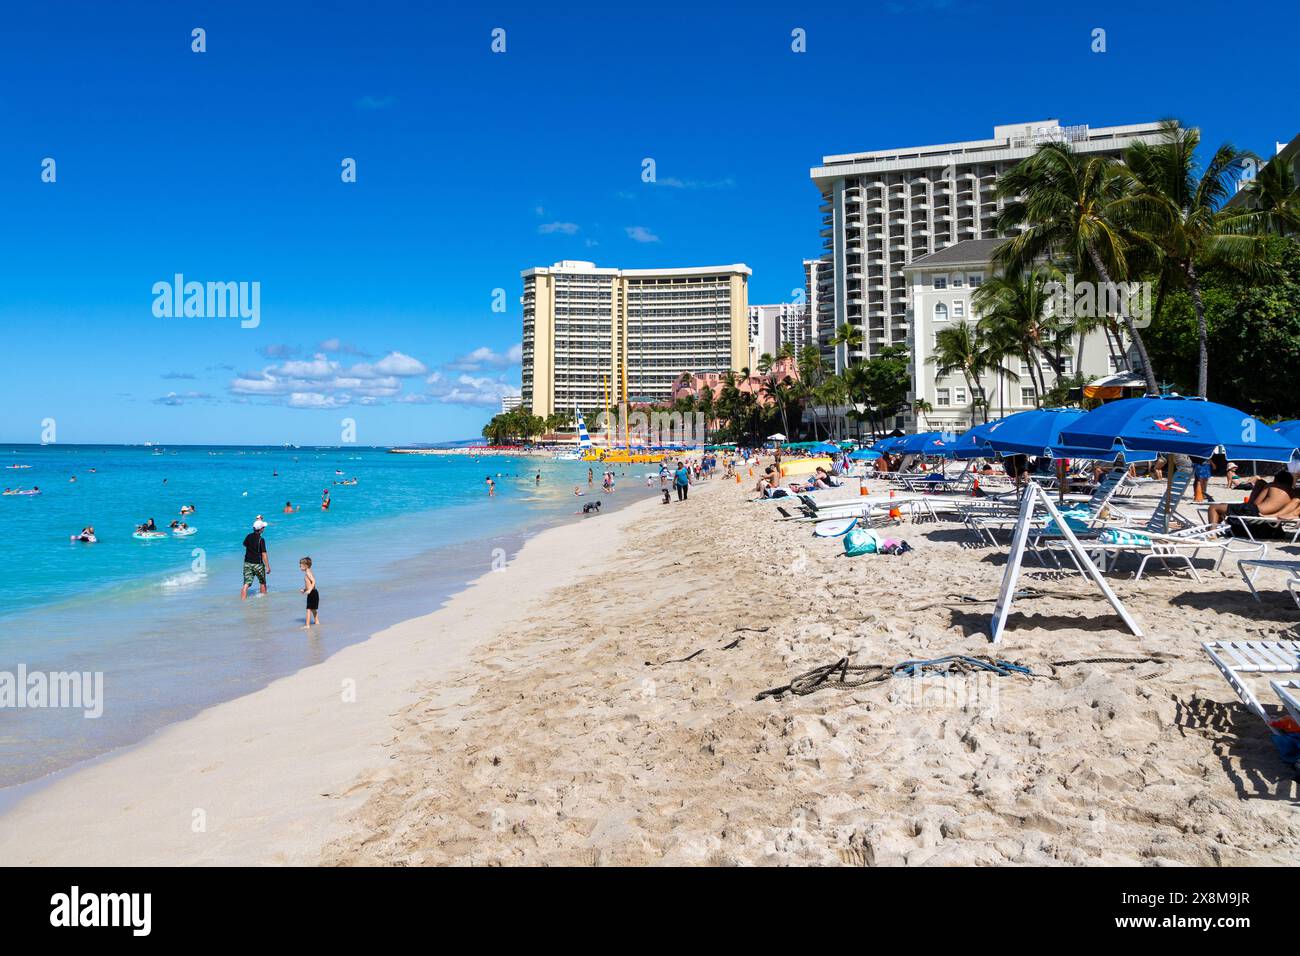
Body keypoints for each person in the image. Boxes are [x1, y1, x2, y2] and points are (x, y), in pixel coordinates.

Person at [1208, 470, 1293, 526]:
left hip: (1255, 511)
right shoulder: (1293, 492)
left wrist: (1259, 487)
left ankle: (1212, 532)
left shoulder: (1271, 486)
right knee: (1224, 507)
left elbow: (1254, 504)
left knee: (1214, 507)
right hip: (1272, 515)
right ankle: (1217, 525)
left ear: (1276, 479)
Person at [240, 519, 270, 600]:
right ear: (261, 529)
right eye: (263, 527)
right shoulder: (261, 540)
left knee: (246, 583)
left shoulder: (248, 536)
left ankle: (242, 600)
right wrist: (267, 566)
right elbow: (264, 554)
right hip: (258, 564)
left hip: (247, 563)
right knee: (262, 582)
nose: (264, 528)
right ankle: (263, 600)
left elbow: (245, 544)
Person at [299, 557, 319, 628]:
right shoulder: (309, 572)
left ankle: (307, 625)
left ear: (306, 565)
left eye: (300, 565)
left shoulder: (308, 573)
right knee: (313, 609)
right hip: (314, 592)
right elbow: (309, 585)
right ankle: (317, 621)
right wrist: (304, 590)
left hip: (312, 592)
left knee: (308, 609)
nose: (299, 567)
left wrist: (309, 590)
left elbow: (313, 581)